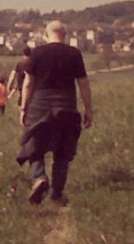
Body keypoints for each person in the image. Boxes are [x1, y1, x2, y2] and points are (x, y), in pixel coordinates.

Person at [16, 20, 93, 205]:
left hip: (40, 104)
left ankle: (39, 178)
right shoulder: (74, 54)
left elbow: (28, 83)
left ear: (46, 34)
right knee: (62, 150)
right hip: (66, 103)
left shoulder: (37, 53)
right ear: (64, 35)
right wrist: (88, 109)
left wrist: (24, 108)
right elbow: (83, 84)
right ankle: (56, 194)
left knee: (33, 143)